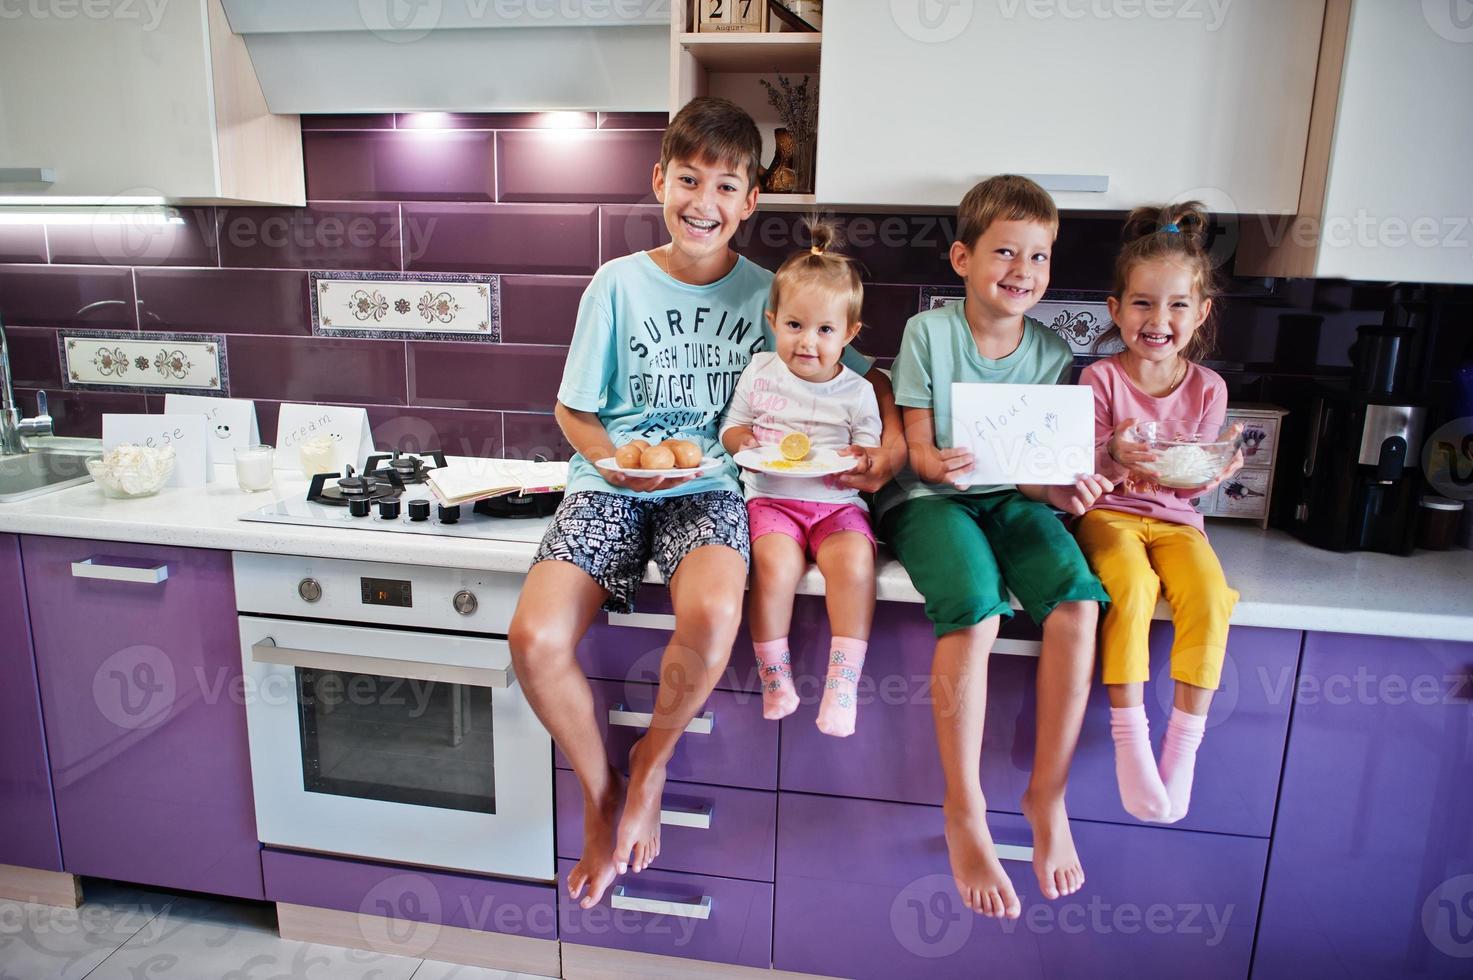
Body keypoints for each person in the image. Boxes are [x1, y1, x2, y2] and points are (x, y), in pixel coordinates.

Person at [506, 97, 901, 911]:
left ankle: (650, 761)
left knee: (717, 615)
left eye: (725, 185)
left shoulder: (776, 293)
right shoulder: (616, 283)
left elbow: (864, 375)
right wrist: (613, 464)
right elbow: (572, 410)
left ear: (750, 200)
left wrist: (886, 449)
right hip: (611, 482)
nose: (703, 202)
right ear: (659, 181)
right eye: (688, 179)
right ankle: (599, 790)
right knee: (535, 638)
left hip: (714, 486)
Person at [875, 174, 1113, 919]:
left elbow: (1034, 468)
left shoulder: (1048, 351)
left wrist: (1064, 492)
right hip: (928, 500)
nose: (1021, 270)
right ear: (961, 258)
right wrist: (932, 459)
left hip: (1009, 498)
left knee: (1077, 604)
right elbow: (914, 448)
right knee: (975, 610)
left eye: (1037, 257)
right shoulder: (928, 333)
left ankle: (1046, 795)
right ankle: (964, 808)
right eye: (1004, 251)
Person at [1073, 202, 1243, 824]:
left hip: (1175, 522)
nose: (1158, 319)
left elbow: (1189, 484)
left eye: (1176, 305)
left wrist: (1212, 473)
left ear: (1200, 314)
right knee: (1131, 585)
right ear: (1116, 310)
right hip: (1110, 517)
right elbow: (1082, 469)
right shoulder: (1098, 380)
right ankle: (1131, 739)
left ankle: (1184, 746)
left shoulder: (1208, 390)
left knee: (1209, 593)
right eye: (1142, 303)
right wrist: (1113, 453)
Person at [720, 221, 882, 737]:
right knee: (772, 569)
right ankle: (775, 677)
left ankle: (842, 687)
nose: (807, 342)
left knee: (855, 565)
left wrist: (859, 459)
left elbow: (870, 450)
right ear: (773, 321)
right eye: (794, 325)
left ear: (849, 334)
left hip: (836, 506)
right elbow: (733, 426)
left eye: (825, 330)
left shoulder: (857, 392)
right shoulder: (760, 370)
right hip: (772, 500)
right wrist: (741, 442)